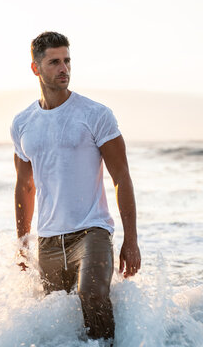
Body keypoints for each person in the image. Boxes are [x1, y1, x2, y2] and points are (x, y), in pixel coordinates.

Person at [10, 31, 141, 343]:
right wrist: (22, 243)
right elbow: (25, 187)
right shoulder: (22, 123)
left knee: (92, 294)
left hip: (92, 232)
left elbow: (121, 176)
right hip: (49, 241)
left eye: (67, 60)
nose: (63, 68)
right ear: (36, 68)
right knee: (58, 317)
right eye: (54, 62)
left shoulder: (95, 114)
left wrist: (131, 240)